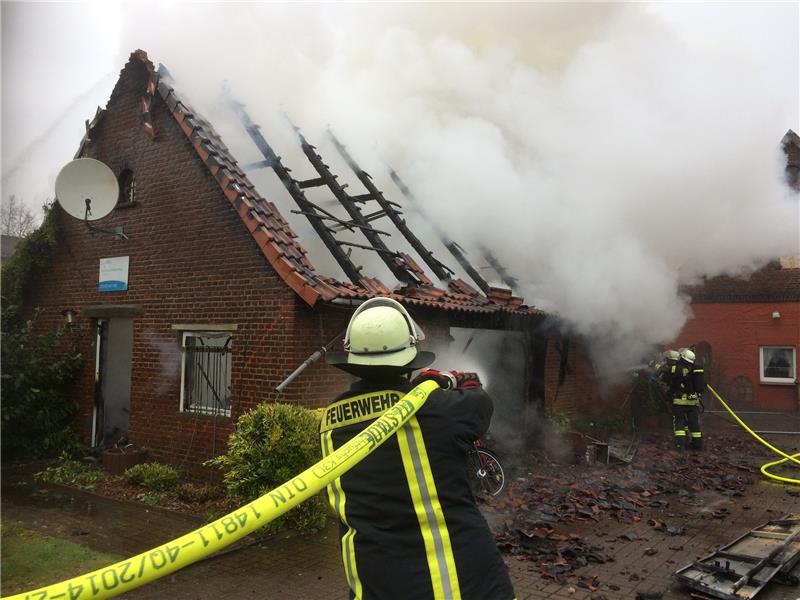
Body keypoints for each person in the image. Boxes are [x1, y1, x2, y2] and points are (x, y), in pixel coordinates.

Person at [321, 296, 516, 600]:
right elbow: (481, 406)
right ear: (409, 361)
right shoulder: (437, 408)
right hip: (458, 583)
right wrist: (459, 384)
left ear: (353, 362)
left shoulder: (331, 421)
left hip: (375, 582)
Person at [668, 347, 706, 450]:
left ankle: (680, 445)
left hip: (679, 402)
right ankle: (697, 445)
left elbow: (668, 377)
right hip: (693, 403)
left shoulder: (677, 368)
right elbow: (702, 385)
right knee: (694, 424)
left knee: (679, 423)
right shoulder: (696, 369)